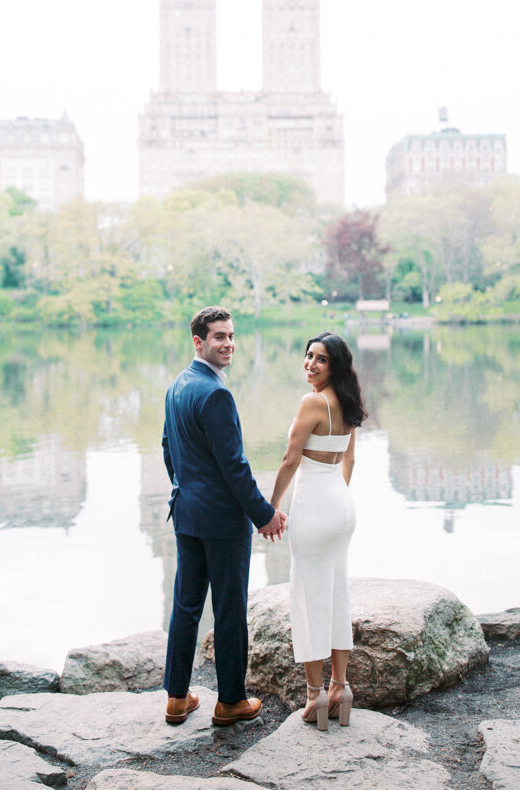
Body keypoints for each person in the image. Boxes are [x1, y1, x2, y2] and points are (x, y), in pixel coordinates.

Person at [162, 306, 286, 726]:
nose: (228, 343)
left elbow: (167, 448)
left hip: (187, 512)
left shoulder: (178, 385)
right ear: (199, 342)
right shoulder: (215, 393)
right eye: (219, 337)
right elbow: (235, 466)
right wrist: (263, 514)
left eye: (231, 336)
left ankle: (176, 698)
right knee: (229, 609)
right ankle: (231, 701)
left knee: (186, 605)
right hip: (220, 521)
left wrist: (186, 490)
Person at [261, 332, 367, 731]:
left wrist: (270, 507)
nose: (310, 364)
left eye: (320, 359)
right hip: (340, 505)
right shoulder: (348, 401)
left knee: (307, 597)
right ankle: (341, 686)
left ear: (335, 365)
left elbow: (290, 459)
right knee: (337, 593)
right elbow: (349, 459)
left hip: (315, 504)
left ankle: (315, 694)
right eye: (308, 356)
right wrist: (336, 496)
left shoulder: (312, 402)